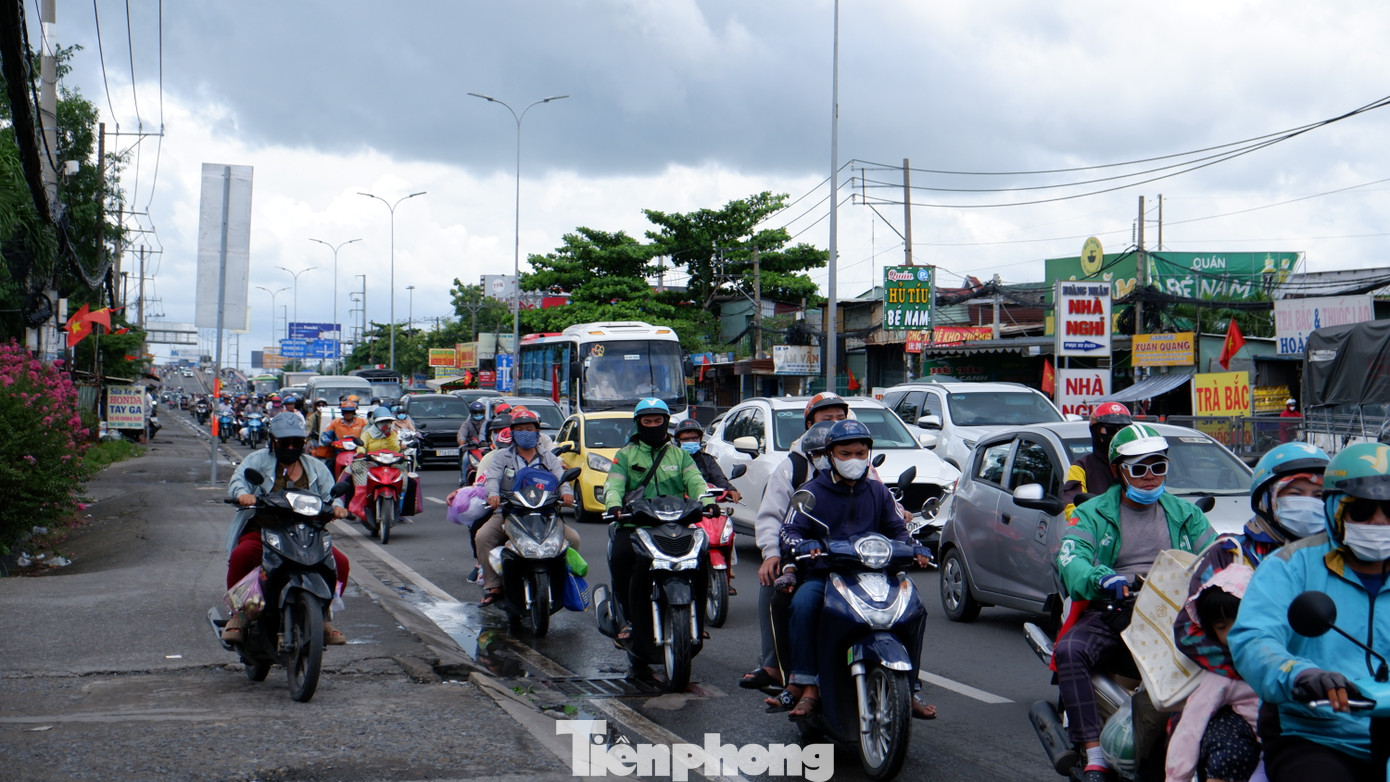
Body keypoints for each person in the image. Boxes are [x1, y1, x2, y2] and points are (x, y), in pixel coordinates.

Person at [1053, 423, 1216, 782]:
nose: (1150, 476)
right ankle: (1093, 750)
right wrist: (1100, 577)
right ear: (1117, 472)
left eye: (1158, 466)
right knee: (1069, 651)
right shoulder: (1092, 512)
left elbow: (1217, 556)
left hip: (1174, 613)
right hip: (1116, 609)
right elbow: (1071, 558)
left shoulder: (1186, 514)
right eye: (1138, 468)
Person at [1228, 442, 1390, 781]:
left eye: (1389, 511)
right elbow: (1254, 639)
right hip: (1315, 734)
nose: (1378, 522)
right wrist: (1301, 675)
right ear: (1334, 510)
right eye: (1361, 511)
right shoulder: (1289, 566)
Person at [777, 419, 932, 721]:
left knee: (916, 608)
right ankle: (807, 685)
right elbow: (789, 531)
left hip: (875, 574)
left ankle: (911, 687)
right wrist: (804, 545)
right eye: (845, 453)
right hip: (826, 572)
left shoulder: (879, 493)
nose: (854, 460)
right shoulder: (811, 491)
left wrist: (917, 549)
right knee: (804, 604)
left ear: (869, 454)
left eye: (860, 453)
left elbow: (898, 531)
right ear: (830, 455)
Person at [741, 394, 848, 694]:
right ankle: (773, 665)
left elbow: (880, 499)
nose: (835, 425)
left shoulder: (856, 460)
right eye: (827, 419)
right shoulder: (792, 468)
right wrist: (771, 554)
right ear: (810, 424)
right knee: (775, 585)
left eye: (841, 418)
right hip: (805, 556)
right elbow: (772, 517)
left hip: (852, 555)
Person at [222, 414, 351, 645]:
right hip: (265, 529)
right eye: (284, 443)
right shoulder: (257, 460)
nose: (291, 447)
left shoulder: (316, 467)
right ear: (273, 441)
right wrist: (243, 494)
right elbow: (238, 481)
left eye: (297, 443)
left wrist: (338, 508)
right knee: (243, 555)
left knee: (339, 564)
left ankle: (321, 616)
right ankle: (241, 614)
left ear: (304, 443)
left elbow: (331, 494)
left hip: (307, 532)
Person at [602, 398, 713, 645]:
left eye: (658, 421)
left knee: (702, 558)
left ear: (666, 423)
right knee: (621, 557)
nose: (653, 425)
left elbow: (695, 481)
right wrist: (614, 506)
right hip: (635, 525)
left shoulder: (679, 455)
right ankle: (628, 620)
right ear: (638, 424)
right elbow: (614, 484)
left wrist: (707, 503)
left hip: (675, 524)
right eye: (647, 421)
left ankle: (699, 620)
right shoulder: (625, 455)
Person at [1165, 564, 1261, 782]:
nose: (1233, 633)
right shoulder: (1223, 676)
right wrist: (1176, 777)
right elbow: (1190, 728)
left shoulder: (1288, 656)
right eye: (1221, 626)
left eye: (1241, 619)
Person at [475, 408, 579, 606]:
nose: (525, 432)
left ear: (537, 432)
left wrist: (566, 493)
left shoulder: (547, 456)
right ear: (512, 432)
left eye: (529, 428)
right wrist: (494, 495)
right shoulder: (501, 457)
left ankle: (564, 583)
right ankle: (494, 585)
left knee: (573, 539)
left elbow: (560, 477)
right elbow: (493, 479)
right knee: (483, 537)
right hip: (510, 512)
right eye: (520, 428)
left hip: (545, 514)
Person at [1062, 402, 1133, 519]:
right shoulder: (1081, 466)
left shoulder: (1138, 463)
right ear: (1095, 431)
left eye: (1123, 429)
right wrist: (1096, 525)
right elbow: (1072, 509)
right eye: (1110, 430)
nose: (1117, 435)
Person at [673, 419, 742, 503]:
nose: (690, 442)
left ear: (700, 439)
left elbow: (718, 478)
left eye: (694, 438)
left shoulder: (706, 459)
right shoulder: (670, 459)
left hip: (703, 505)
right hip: (675, 505)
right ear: (678, 441)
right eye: (686, 439)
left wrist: (730, 490)